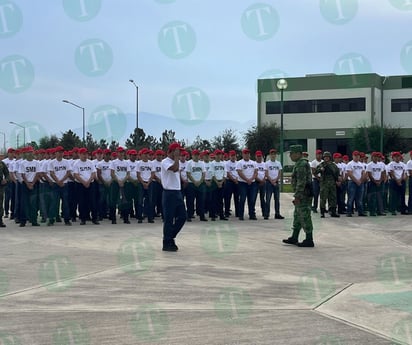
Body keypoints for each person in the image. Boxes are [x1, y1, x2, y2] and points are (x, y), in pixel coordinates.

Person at [283, 145, 314, 247]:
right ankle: (294, 237)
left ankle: (309, 239)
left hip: (303, 195)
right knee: (297, 216)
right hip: (302, 194)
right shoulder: (299, 163)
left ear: (297, 154)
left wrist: (297, 196)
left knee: (305, 216)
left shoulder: (301, 164)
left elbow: (301, 181)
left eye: (292, 154)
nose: (291, 156)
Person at [161, 142, 187, 252]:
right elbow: (175, 168)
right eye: (177, 151)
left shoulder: (177, 161)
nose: (179, 153)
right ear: (171, 151)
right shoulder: (165, 162)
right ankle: (167, 243)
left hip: (177, 191)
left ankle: (170, 236)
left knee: (182, 216)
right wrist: (176, 158)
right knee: (169, 219)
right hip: (169, 192)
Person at [315, 151, 340, 218]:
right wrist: (320, 171)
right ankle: (322, 212)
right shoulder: (322, 164)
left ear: (330, 157)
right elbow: (315, 171)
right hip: (324, 184)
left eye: (327, 157)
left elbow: (337, 173)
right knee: (323, 198)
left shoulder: (333, 165)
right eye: (325, 157)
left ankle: (333, 211)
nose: (326, 158)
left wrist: (338, 180)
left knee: (333, 198)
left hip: (332, 184)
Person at [236, 148, 258, 220]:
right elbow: (239, 172)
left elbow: (256, 172)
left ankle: (252, 214)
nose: (247, 155)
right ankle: (241, 215)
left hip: (252, 183)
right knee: (242, 199)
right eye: (245, 153)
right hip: (242, 183)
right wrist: (246, 179)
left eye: (248, 153)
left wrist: (251, 179)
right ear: (242, 154)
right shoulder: (239, 163)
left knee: (252, 199)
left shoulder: (253, 163)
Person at [346, 150, 367, 217]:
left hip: (360, 183)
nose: (356, 157)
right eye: (355, 156)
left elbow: (363, 173)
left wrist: (360, 180)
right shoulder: (350, 164)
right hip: (352, 182)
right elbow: (349, 174)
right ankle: (349, 211)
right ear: (353, 156)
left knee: (360, 198)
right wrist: (356, 181)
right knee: (351, 198)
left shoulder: (361, 164)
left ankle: (360, 212)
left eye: (358, 156)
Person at [264, 148, 284, 220]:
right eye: (272, 154)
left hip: (276, 182)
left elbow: (279, 173)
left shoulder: (278, 163)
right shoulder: (267, 163)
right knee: (268, 199)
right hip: (269, 182)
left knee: (277, 199)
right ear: (270, 155)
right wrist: (271, 181)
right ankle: (266, 214)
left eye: (274, 154)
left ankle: (277, 213)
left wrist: (276, 180)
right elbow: (266, 173)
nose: (273, 155)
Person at [366, 152, 386, 216]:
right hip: (372, 182)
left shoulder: (380, 164)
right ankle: (372, 211)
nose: (376, 158)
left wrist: (380, 181)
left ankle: (380, 211)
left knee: (380, 197)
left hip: (379, 182)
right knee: (372, 198)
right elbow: (369, 174)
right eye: (374, 157)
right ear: (372, 157)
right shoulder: (369, 165)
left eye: (377, 157)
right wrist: (375, 181)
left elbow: (382, 173)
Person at [0, 159, 10, 227]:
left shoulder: (2, 164)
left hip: (0, 186)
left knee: (0, 203)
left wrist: (6, 180)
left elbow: (7, 174)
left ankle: (0, 220)